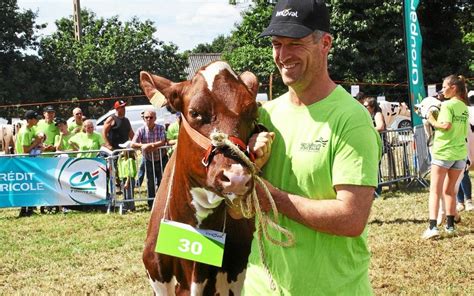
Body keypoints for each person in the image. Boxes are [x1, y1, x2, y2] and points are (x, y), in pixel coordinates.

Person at [243, 1, 381, 294]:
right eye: (277, 44)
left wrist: (272, 199)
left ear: (325, 43)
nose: (283, 55)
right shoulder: (265, 115)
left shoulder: (350, 119)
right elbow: (235, 206)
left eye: (295, 43)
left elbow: (351, 218)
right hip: (260, 288)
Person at [421, 75, 469, 240]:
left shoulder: (447, 105)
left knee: (435, 190)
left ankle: (432, 227)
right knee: (450, 191)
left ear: (453, 87)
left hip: (444, 152)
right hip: (460, 153)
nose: (442, 90)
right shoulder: (463, 106)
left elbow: (446, 126)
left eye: (444, 87)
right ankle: (449, 226)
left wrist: (432, 120)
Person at [131, 108, 168, 210]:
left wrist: (150, 146)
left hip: (161, 159)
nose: (148, 119)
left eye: (151, 117)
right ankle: (151, 204)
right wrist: (143, 145)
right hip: (148, 160)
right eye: (146, 117)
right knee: (150, 182)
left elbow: (163, 141)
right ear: (144, 118)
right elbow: (132, 143)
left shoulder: (160, 128)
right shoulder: (140, 130)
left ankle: (163, 202)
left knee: (162, 181)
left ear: (155, 118)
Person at [16, 110, 44, 217]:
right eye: (35, 118)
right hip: (24, 161)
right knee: (27, 185)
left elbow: (36, 133)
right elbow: (25, 150)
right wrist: (36, 142)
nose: (37, 120)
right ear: (29, 120)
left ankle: (29, 209)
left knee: (29, 185)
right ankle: (25, 210)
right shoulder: (25, 132)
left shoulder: (30, 128)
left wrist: (40, 135)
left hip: (27, 161)